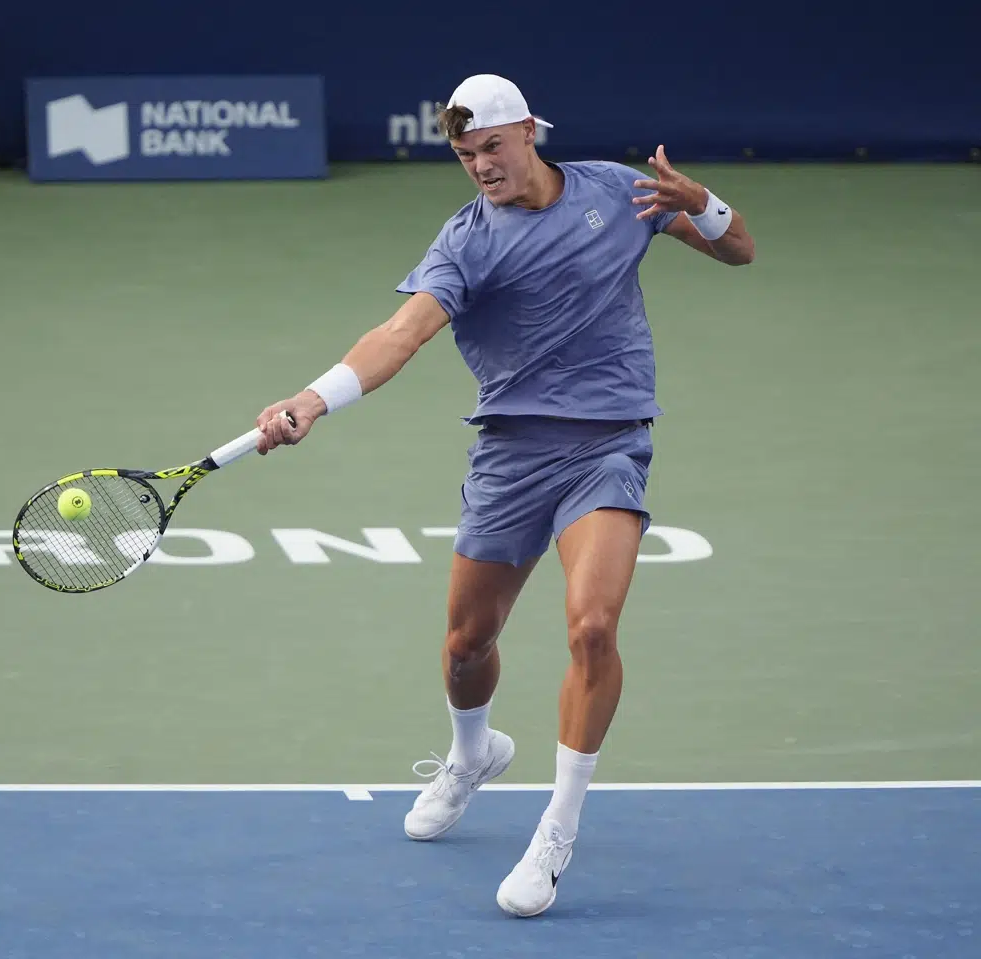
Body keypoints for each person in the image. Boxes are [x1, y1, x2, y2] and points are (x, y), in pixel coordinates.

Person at [251, 73, 755, 917]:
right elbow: (400, 333)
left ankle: (557, 828)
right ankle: (472, 752)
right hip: (512, 457)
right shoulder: (467, 243)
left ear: (529, 132)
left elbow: (739, 249)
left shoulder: (617, 192)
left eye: (491, 146)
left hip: (608, 447)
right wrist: (311, 399)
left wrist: (701, 200)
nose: (480, 166)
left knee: (593, 625)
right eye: (463, 155)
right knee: (464, 644)